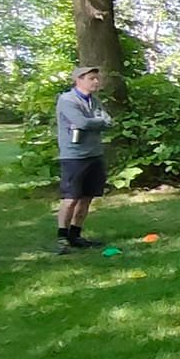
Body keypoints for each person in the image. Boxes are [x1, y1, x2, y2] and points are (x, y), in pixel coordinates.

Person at [54, 64, 114, 252]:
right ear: (78, 80)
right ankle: (62, 236)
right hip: (74, 156)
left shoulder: (94, 101)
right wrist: (98, 122)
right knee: (71, 198)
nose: (96, 81)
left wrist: (94, 123)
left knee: (87, 198)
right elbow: (81, 122)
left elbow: (109, 122)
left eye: (97, 78)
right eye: (91, 78)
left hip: (95, 154)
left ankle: (76, 234)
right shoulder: (67, 100)